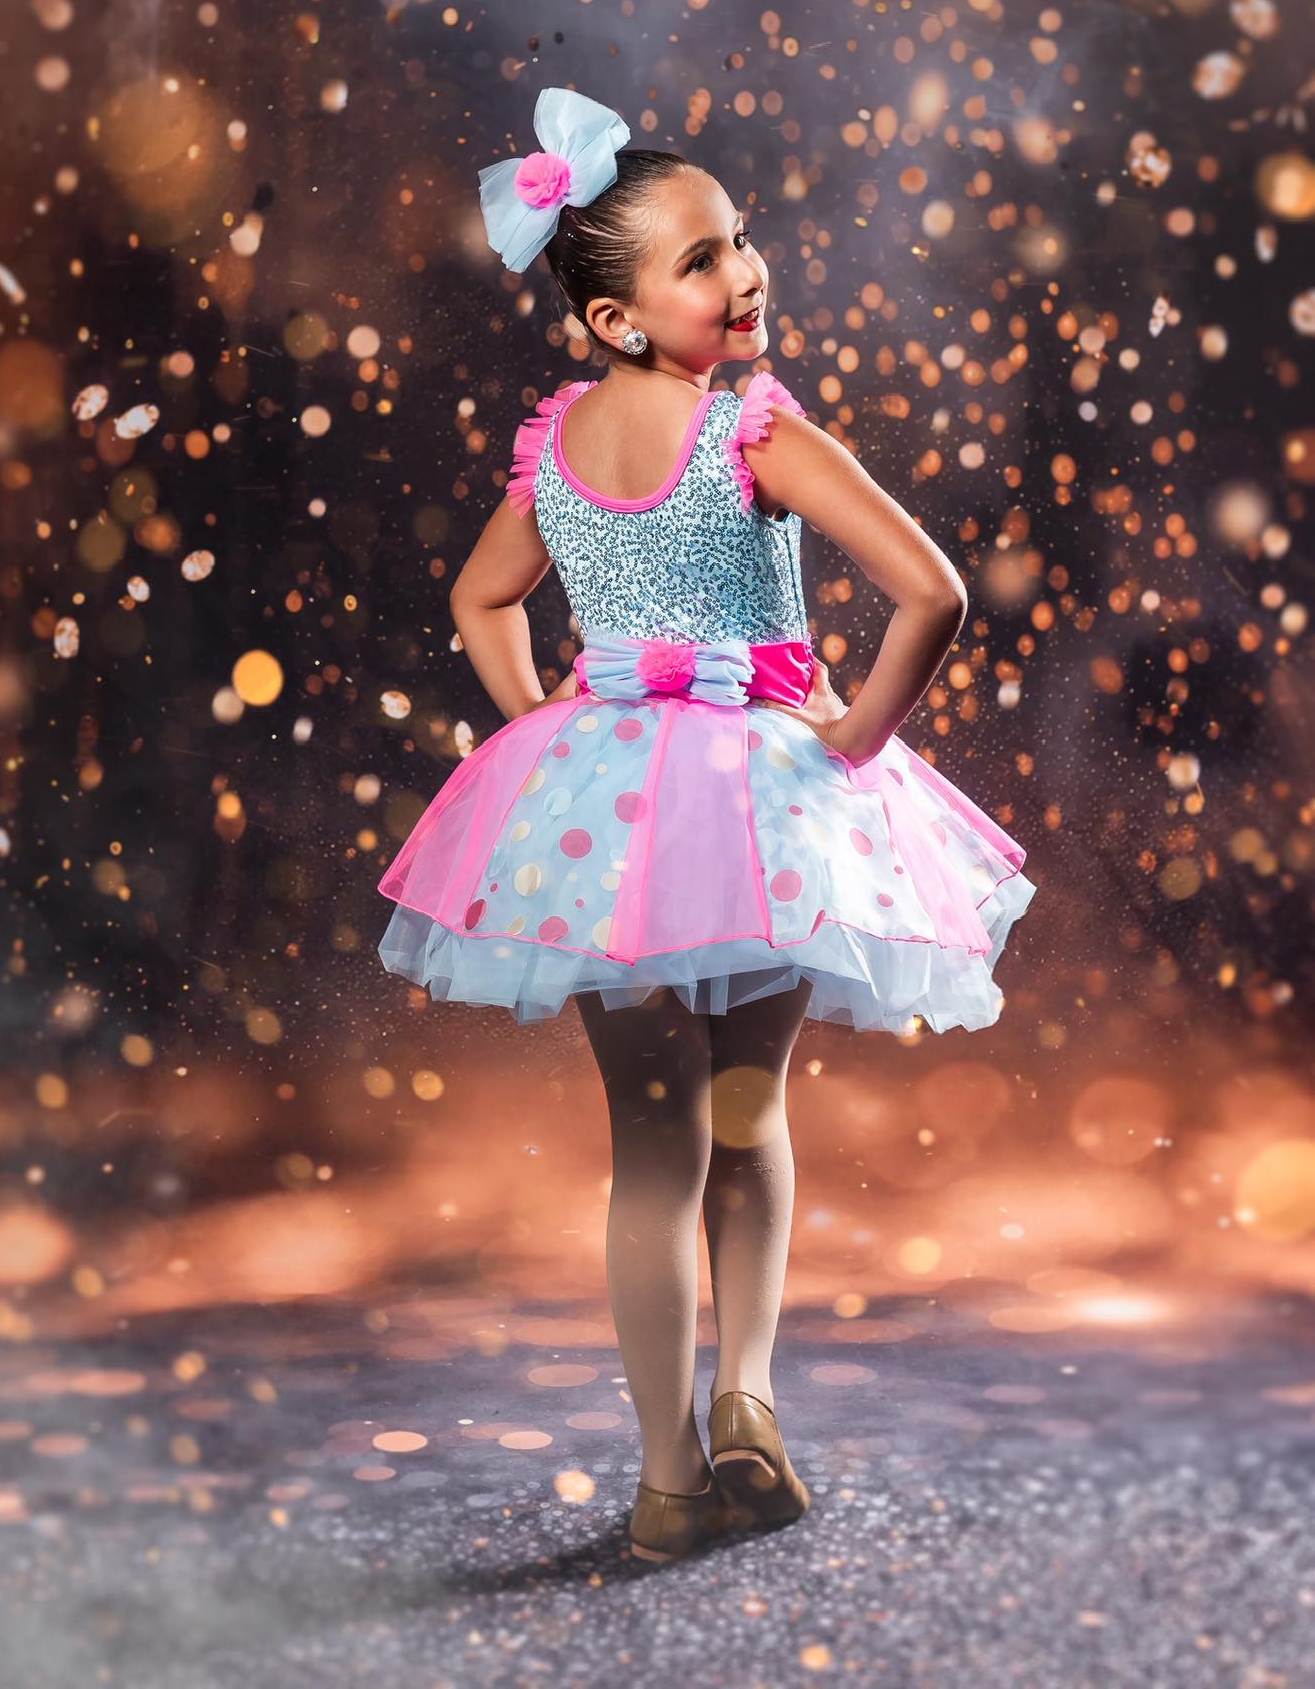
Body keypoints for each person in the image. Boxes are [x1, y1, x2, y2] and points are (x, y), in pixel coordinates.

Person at [377, 86, 1037, 1564]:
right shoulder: (752, 427)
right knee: (751, 1114)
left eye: (741, 240)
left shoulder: (555, 450)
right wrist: (858, 735)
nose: (743, 272)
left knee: (653, 1148)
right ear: (617, 319)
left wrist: (537, 719)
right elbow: (930, 587)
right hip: (759, 809)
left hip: (607, 820)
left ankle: (669, 1481)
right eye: (702, 259)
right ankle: (746, 1390)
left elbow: (479, 600)